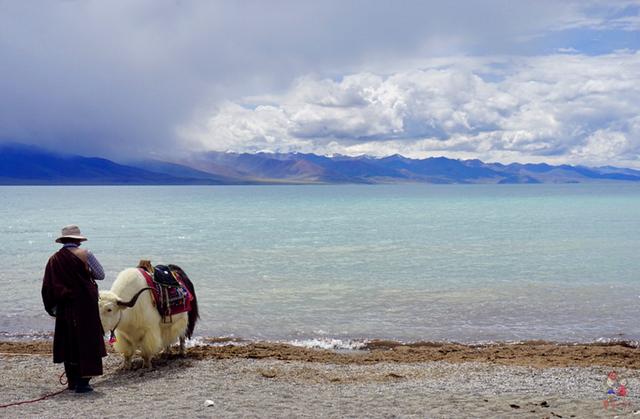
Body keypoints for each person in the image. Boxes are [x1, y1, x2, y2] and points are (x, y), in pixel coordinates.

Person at [41, 225, 107, 393]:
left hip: (65, 307)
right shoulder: (86, 255)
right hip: (85, 306)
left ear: (63, 240)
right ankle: (83, 383)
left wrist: (53, 309)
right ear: (78, 240)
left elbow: (48, 288)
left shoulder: (53, 260)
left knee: (69, 341)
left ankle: (73, 381)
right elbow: (100, 275)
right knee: (87, 341)